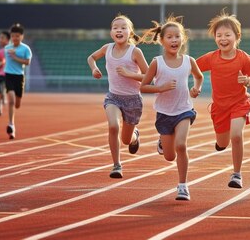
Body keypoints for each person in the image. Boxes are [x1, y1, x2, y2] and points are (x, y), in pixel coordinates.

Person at [140, 16, 203, 201]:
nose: (174, 40)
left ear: (183, 39)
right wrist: (160, 88)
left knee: (181, 145)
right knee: (169, 156)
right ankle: (162, 141)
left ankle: (183, 186)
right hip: (164, 113)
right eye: (169, 37)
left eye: (177, 36)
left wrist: (196, 88)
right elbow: (143, 86)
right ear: (162, 40)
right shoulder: (156, 62)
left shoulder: (189, 61)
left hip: (184, 110)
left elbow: (199, 77)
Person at [196, 12, 250, 189]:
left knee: (236, 135)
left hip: (240, 102)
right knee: (223, 142)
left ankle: (237, 174)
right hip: (219, 107)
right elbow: (191, 67)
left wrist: (248, 81)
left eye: (227, 35)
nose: (223, 39)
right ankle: (219, 143)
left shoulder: (245, 59)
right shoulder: (211, 58)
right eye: (219, 35)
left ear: (237, 37)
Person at [87, 15, 149, 179]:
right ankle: (117, 165)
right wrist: (94, 68)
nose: (119, 30)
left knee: (126, 140)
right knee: (113, 126)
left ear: (130, 32)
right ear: (111, 32)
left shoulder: (135, 51)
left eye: (123, 27)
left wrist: (130, 74)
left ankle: (135, 136)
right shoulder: (107, 48)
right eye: (115, 27)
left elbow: (149, 77)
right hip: (113, 97)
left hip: (133, 100)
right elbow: (91, 57)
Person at [4, 23, 33, 140]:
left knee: (17, 104)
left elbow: (27, 62)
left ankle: (15, 106)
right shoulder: (7, 48)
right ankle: (11, 124)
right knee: (10, 100)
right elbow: (2, 60)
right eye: (13, 36)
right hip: (8, 75)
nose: (15, 38)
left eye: (17, 36)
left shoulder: (25, 49)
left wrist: (15, 57)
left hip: (19, 77)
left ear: (22, 36)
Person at [0, 31, 10, 116]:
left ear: (8, 40)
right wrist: (0, 63)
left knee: (6, 89)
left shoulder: (13, 50)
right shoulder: (0, 52)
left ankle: (4, 96)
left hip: (10, 74)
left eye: (2, 38)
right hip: (1, 74)